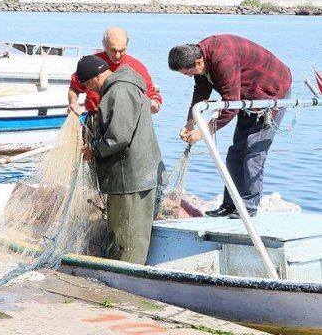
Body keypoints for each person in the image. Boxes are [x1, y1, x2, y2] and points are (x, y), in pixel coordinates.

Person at [168, 35, 292, 219]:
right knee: (236, 152)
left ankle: (248, 207)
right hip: (247, 97)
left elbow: (230, 105)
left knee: (254, 152)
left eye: (188, 73)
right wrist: (191, 121)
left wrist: (203, 132)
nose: (188, 76)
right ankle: (230, 204)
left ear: (199, 62)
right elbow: (201, 90)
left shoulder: (222, 58)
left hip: (271, 93)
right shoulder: (200, 58)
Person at [77, 55, 166, 264]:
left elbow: (118, 136)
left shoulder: (119, 91)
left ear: (96, 77)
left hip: (130, 179)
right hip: (137, 175)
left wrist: (93, 149)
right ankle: (129, 271)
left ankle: (124, 277)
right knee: (132, 235)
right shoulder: (125, 86)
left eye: (88, 84)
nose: (90, 89)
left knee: (126, 238)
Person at [68, 27, 162, 117]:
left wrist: (154, 104)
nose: (117, 55)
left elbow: (152, 94)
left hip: (125, 119)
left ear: (126, 46)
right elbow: (74, 88)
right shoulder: (90, 64)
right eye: (113, 50)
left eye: (122, 50)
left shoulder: (137, 67)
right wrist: (73, 102)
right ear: (104, 46)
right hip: (95, 117)